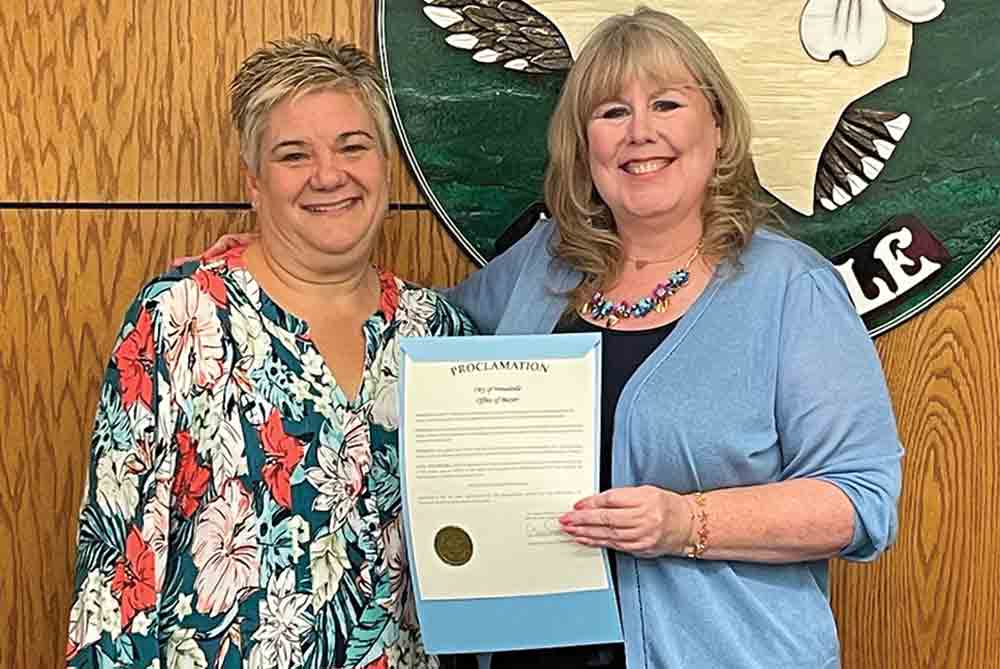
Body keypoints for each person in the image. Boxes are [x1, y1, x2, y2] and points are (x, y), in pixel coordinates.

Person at [189, 9, 903, 668]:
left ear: (716, 127)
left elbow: (862, 500)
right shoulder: (545, 265)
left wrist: (686, 520)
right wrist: (280, 271)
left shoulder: (789, 289)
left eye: (667, 104)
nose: (639, 132)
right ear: (583, 142)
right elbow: (408, 329)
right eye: (612, 111)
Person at [65, 35, 473, 669]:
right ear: (253, 182)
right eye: (294, 155)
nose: (329, 175)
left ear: (386, 164)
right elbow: (116, 566)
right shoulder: (180, 316)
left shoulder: (439, 332)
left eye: (352, 146)